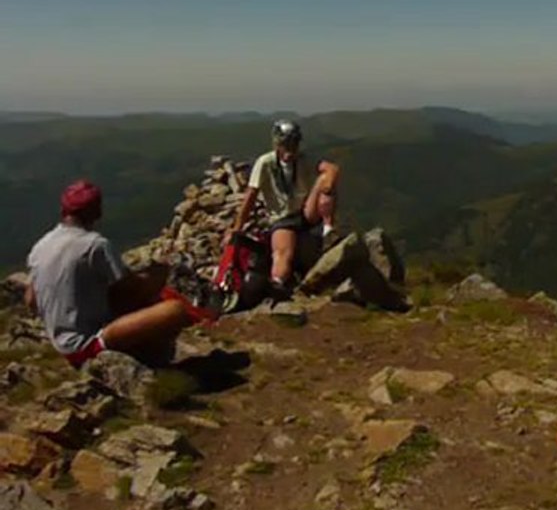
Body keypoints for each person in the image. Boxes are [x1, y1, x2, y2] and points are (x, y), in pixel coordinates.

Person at [25, 180, 190, 368]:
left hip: (58, 341)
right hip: (85, 345)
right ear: (97, 213)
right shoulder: (95, 245)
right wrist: (157, 275)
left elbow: (30, 298)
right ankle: (155, 361)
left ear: (63, 210)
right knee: (175, 310)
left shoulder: (41, 246)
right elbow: (131, 288)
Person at [228, 119, 340, 292]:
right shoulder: (265, 163)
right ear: (277, 144)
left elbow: (331, 168)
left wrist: (328, 184)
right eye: (286, 143)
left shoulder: (304, 159)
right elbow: (251, 196)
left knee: (326, 180)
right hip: (282, 219)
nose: (290, 148)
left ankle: (328, 229)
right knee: (283, 252)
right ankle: (277, 284)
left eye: (293, 143)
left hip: (304, 212)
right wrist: (237, 227)